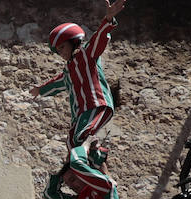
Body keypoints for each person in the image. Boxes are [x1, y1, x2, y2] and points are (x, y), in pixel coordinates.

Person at [33, 0, 126, 147]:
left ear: (74, 41)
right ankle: (94, 164)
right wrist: (41, 89)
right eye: (58, 51)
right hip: (79, 115)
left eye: (62, 47)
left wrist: (108, 19)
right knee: (71, 143)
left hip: (95, 106)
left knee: (82, 136)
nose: (61, 53)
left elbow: (99, 38)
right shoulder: (68, 72)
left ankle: (91, 148)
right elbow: (56, 83)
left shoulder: (87, 54)